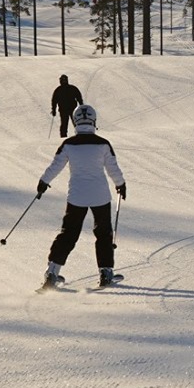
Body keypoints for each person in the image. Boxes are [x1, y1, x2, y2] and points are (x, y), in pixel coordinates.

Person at [35, 103, 126, 288]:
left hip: (77, 196)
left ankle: (52, 273)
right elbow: (113, 168)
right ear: (93, 121)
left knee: (68, 234)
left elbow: (56, 165)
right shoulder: (103, 144)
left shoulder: (68, 144)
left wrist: (43, 182)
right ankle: (106, 272)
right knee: (103, 234)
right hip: (100, 196)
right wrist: (121, 185)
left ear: (75, 121)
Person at [50, 74, 84, 138]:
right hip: (72, 109)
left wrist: (54, 110)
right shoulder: (72, 88)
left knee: (64, 124)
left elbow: (54, 101)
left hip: (65, 110)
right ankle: (79, 135)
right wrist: (81, 106)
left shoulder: (58, 90)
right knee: (75, 123)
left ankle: (63, 137)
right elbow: (79, 97)